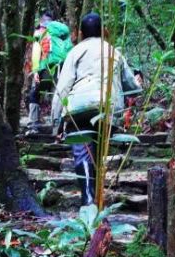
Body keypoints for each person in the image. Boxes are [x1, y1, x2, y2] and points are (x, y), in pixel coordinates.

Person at [51, 12, 139, 206]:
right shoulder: (114, 52)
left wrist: (55, 121)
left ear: (80, 33)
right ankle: (97, 200)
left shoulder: (75, 52)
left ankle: (88, 200)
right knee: (98, 153)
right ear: (103, 31)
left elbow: (63, 86)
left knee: (82, 152)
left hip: (79, 108)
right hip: (108, 108)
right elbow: (132, 87)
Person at [26, 11, 72, 131]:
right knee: (58, 97)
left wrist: (35, 71)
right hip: (62, 68)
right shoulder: (62, 34)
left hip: (45, 68)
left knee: (34, 94)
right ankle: (58, 129)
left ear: (42, 21)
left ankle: (33, 125)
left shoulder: (40, 32)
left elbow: (36, 52)